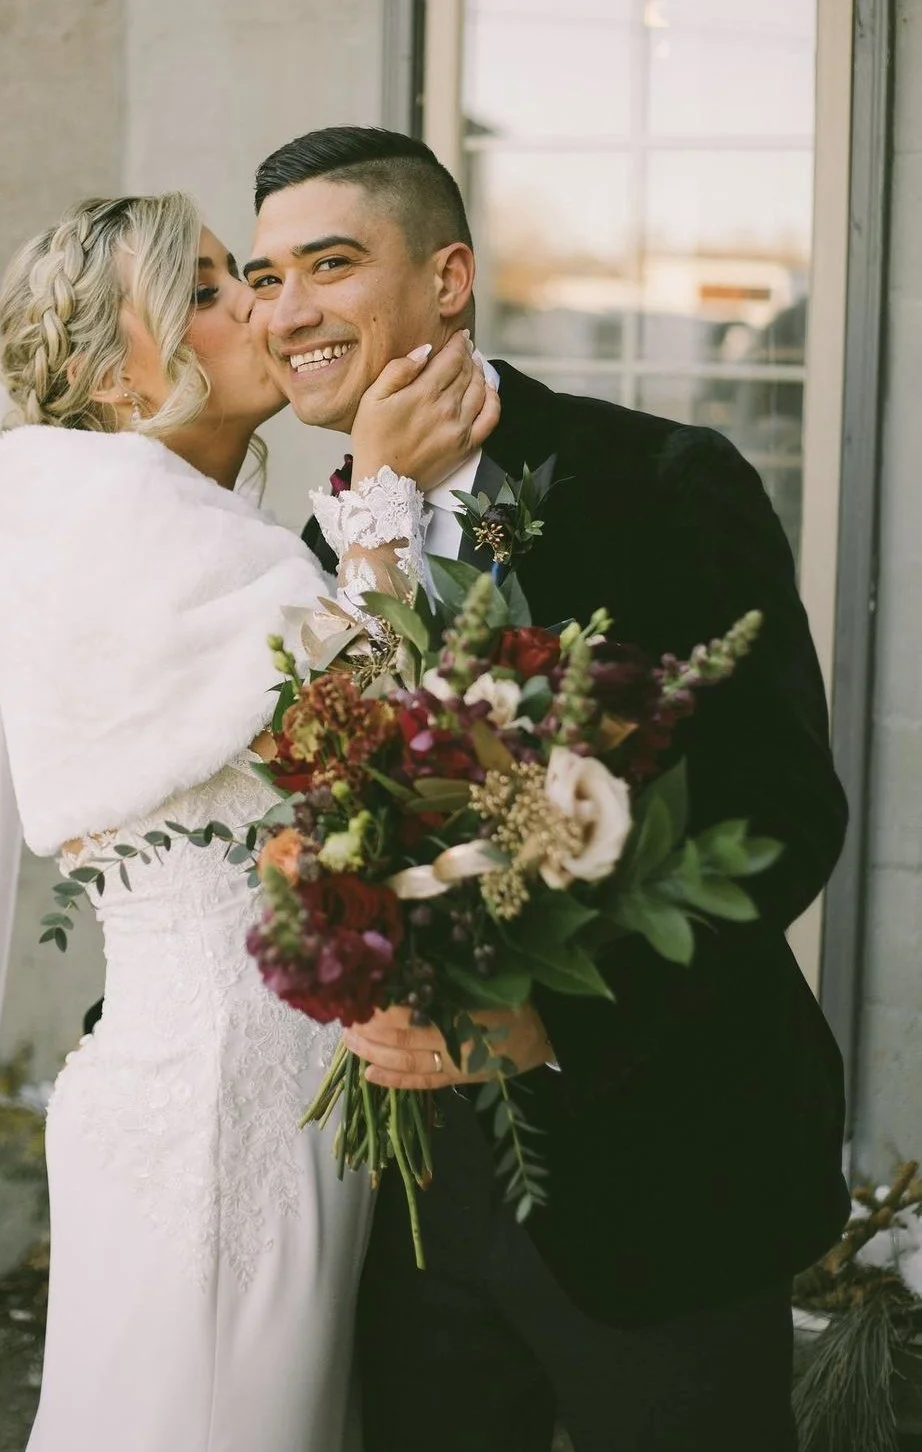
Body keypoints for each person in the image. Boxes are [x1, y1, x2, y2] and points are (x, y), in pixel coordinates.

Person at [0, 192, 496, 1452]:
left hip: (260, 1083)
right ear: (110, 376)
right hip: (218, 1106)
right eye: (206, 293)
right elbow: (367, 746)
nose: (258, 309)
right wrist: (379, 497)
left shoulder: (173, 522)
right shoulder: (99, 511)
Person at [245, 126, 850, 1452]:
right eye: (264, 274)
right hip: (409, 1202)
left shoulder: (661, 481)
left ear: (447, 277)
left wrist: (545, 1021)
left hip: (664, 1161)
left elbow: (780, 819)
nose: (284, 312)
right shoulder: (329, 538)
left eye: (329, 264)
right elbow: (317, 810)